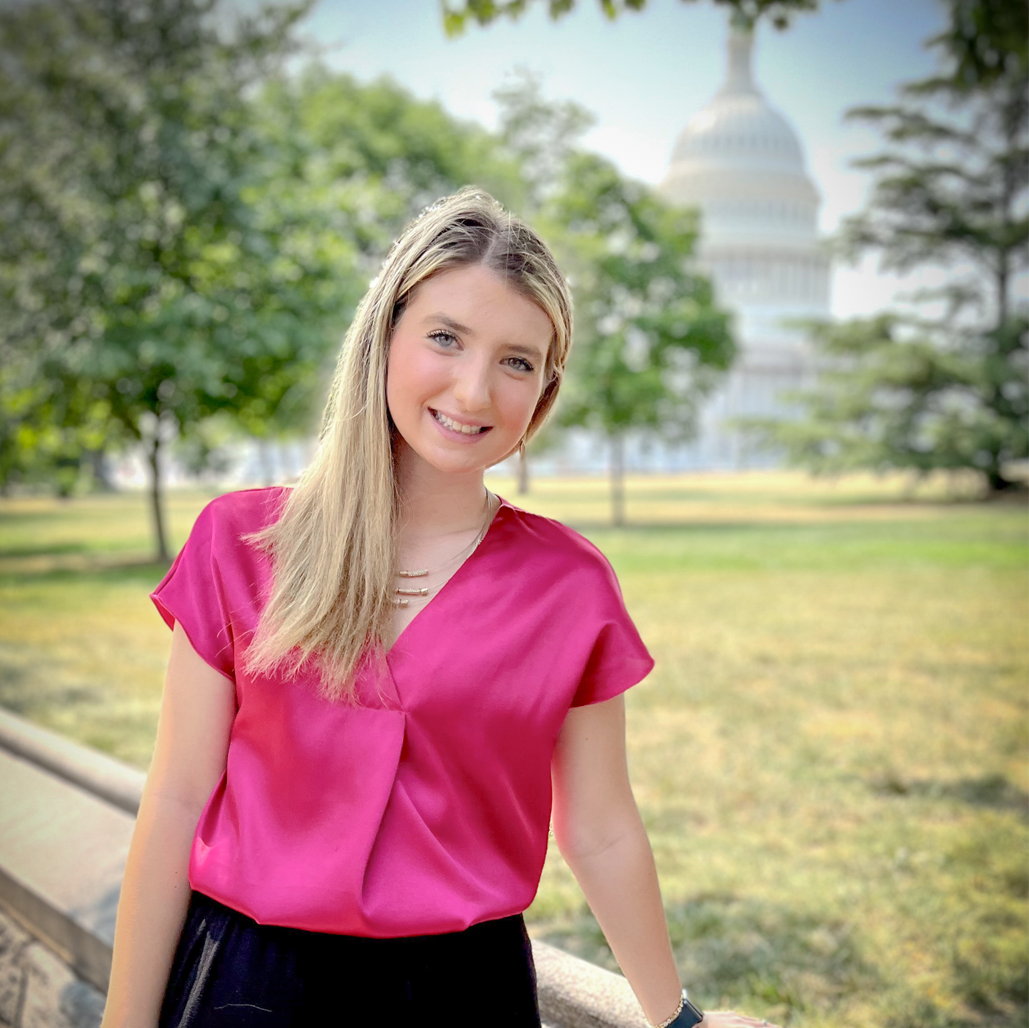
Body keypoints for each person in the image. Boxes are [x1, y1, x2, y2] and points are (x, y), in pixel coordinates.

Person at [101, 189, 781, 1028]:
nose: (474, 390)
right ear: (385, 334)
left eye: (516, 361)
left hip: (464, 993)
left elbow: (600, 829)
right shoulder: (241, 542)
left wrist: (672, 1016)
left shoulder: (569, 586)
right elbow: (175, 798)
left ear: (544, 391)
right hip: (249, 982)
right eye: (445, 338)